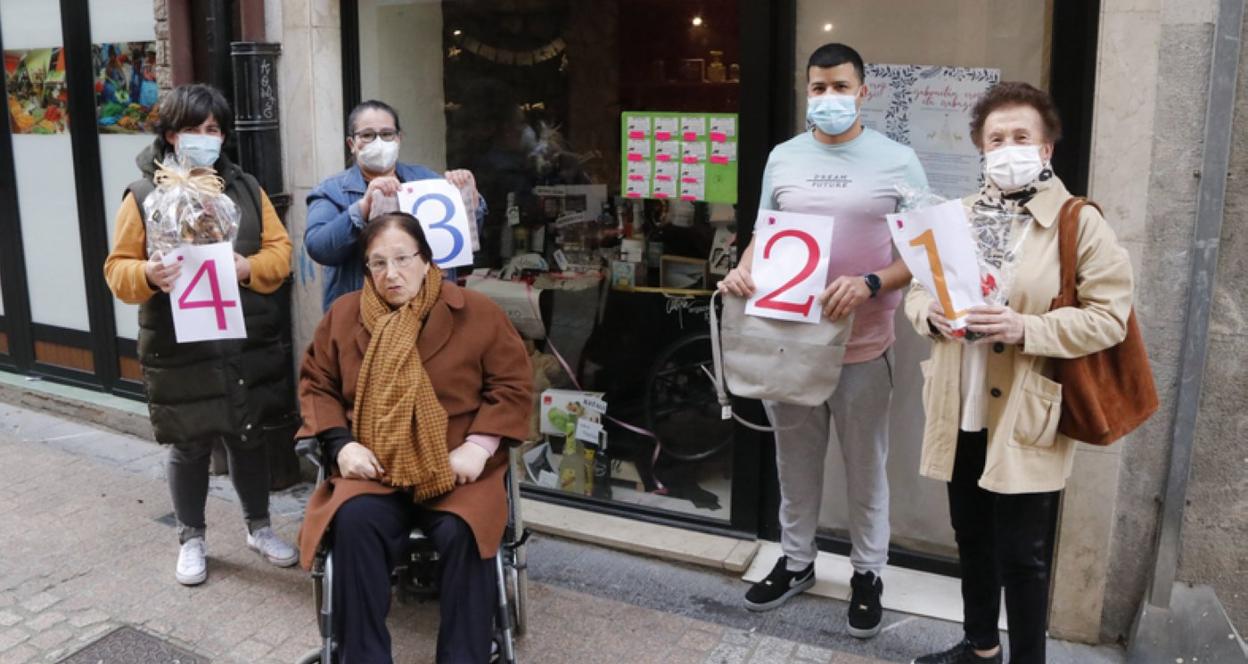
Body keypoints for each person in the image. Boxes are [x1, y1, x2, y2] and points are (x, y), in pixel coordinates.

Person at [906, 82, 1134, 664]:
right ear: (981, 149)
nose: (1008, 147)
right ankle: (980, 647)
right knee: (972, 537)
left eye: (1021, 136)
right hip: (961, 404)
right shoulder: (954, 216)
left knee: (1023, 554)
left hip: (1027, 410)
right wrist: (928, 313)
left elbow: (1109, 318)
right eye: (996, 138)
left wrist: (1025, 328)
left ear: (1047, 147)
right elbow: (916, 290)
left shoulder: (1077, 223)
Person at [718, 43, 927, 638]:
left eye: (840, 87)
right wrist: (743, 270)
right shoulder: (783, 158)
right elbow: (764, 235)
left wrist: (870, 283)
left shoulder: (898, 160)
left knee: (866, 467)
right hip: (790, 344)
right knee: (796, 463)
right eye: (818, 88)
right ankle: (797, 561)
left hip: (864, 345)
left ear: (863, 92)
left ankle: (868, 574)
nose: (828, 98)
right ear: (806, 92)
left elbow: (921, 254)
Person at [296, 212, 533, 663]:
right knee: (355, 522)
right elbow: (316, 385)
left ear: (426, 260)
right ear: (366, 268)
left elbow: (513, 386)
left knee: (466, 531)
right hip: (375, 465)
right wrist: (341, 444)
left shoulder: (476, 313)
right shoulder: (344, 317)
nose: (392, 274)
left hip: (454, 465)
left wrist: (479, 446)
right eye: (378, 263)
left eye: (403, 259)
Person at [103, 83, 299, 586]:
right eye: (193, 129)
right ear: (170, 134)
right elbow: (117, 269)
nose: (204, 138)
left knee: (248, 435)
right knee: (189, 443)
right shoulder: (145, 195)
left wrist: (247, 266)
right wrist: (149, 274)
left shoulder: (245, 189)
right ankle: (191, 538)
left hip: (242, 340)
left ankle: (259, 527)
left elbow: (281, 254)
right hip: (179, 344)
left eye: (213, 130)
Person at [305, 99, 486, 311]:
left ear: (398, 139)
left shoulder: (427, 180)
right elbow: (319, 248)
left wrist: (471, 201)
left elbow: (462, 245)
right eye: (367, 135)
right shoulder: (330, 191)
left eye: (386, 134)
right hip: (363, 316)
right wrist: (362, 209)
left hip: (431, 312)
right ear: (352, 144)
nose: (378, 142)